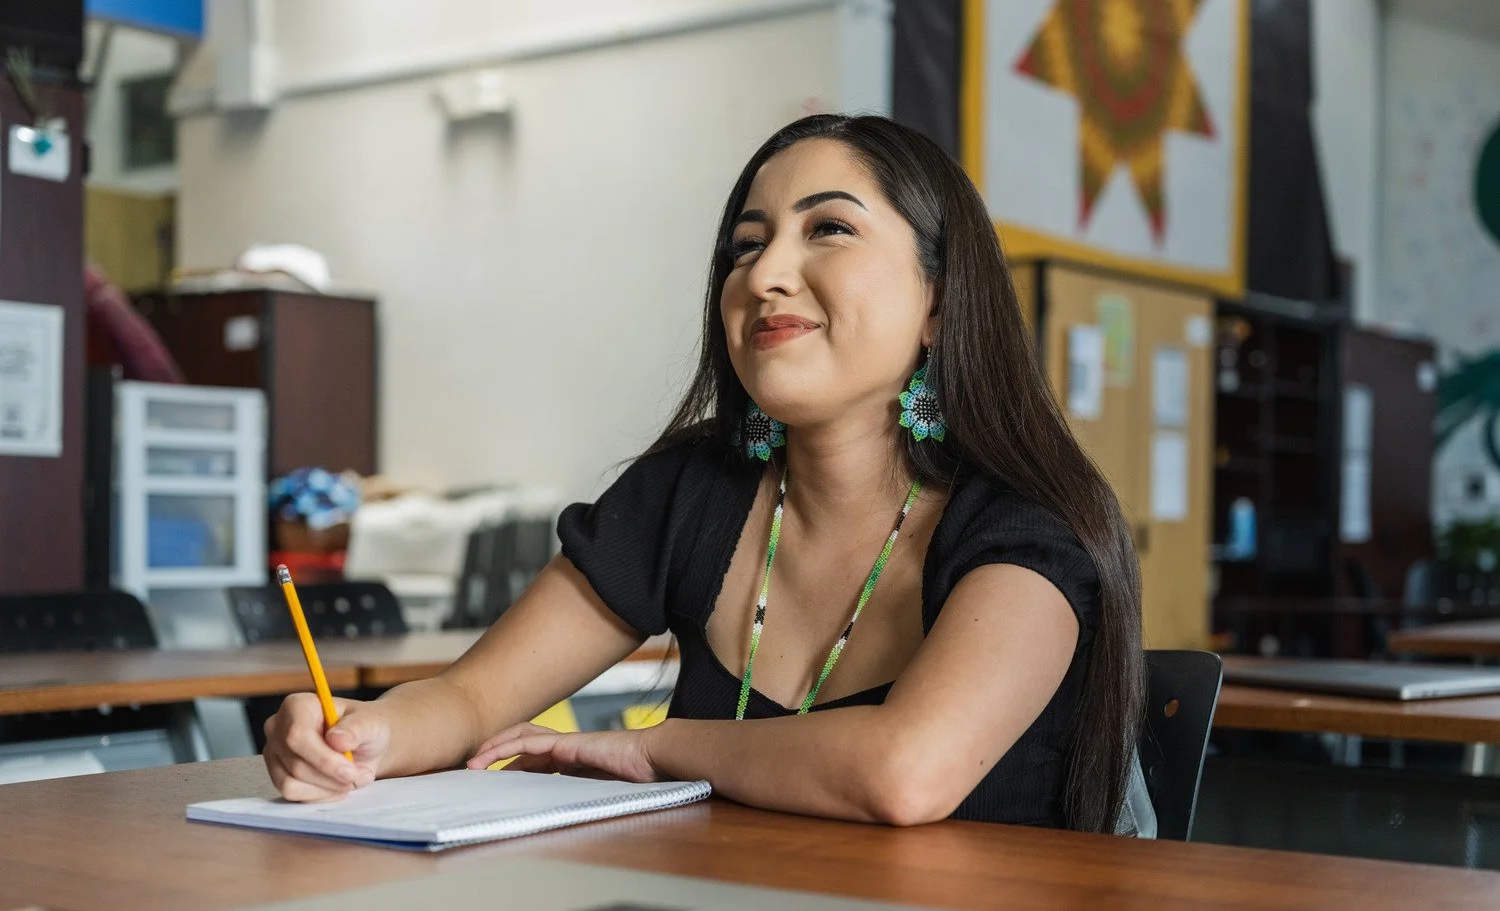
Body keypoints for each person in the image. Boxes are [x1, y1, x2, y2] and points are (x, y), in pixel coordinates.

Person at [264, 114, 1145, 833]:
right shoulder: (692, 488)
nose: (765, 274)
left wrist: (656, 747)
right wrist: (364, 732)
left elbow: (905, 773)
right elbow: (471, 695)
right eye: (744, 245)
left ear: (940, 302)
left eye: (829, 229)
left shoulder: (1028, 520)